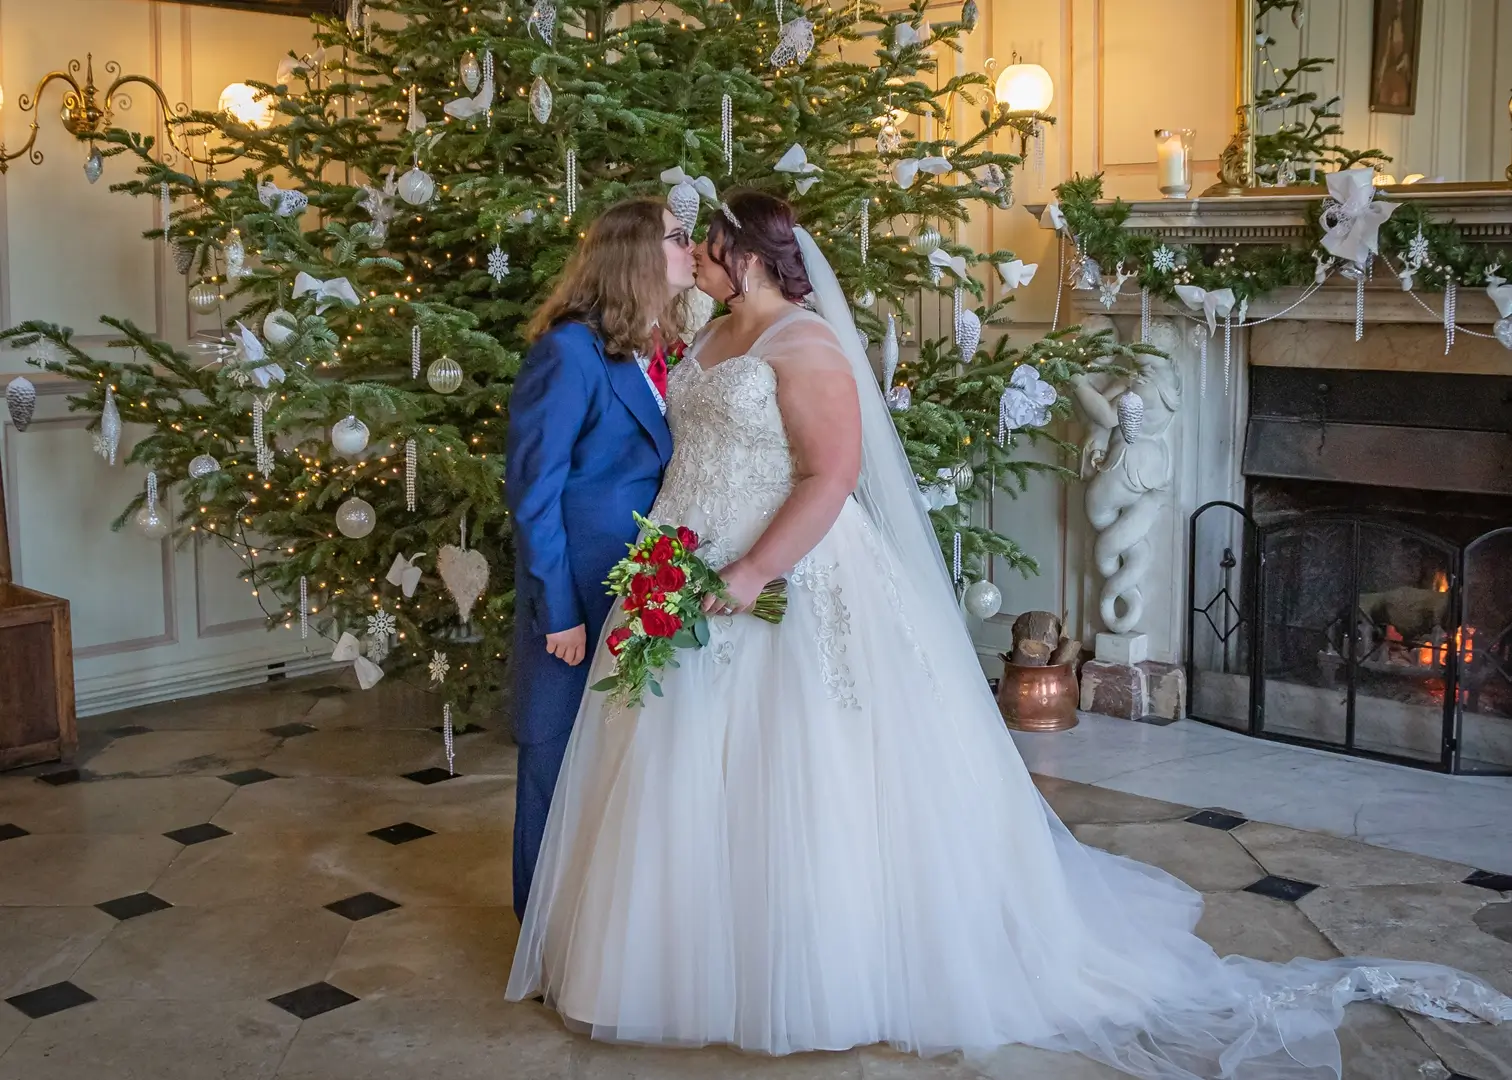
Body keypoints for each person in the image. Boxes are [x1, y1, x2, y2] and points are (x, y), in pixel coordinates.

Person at [506, 189, 1512, 1077]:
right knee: (680, 773)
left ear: (755, 255)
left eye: (711, 240)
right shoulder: (707, 333)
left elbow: (830, 475)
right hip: (687, 569)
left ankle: (819, 967)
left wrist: (754, 569)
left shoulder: (805, 345)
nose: (700, 253)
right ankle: (678, 961)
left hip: (788, 573)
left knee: (809, 768)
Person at [504, 197, 695, 920]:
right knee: (552, 759)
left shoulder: (657, 346)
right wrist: (557, 608)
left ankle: (601, 932)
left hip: (642, 588)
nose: (692, 249)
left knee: (615, 763)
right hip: (577, 594)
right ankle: (541, 933)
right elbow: (533, 492)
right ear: (636, 255)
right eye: (678, 238)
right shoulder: (568, 351)